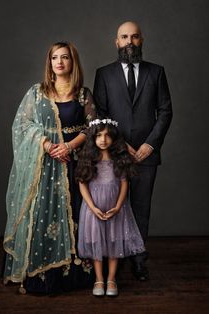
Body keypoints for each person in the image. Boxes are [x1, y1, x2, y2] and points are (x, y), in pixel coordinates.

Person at [3, 41, 96, 294]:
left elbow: (93, 126)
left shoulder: (82, 94)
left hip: (73, 165)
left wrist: (69, 147)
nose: (59, 62)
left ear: (72, 62)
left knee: (75, 216)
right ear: (50, 62)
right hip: (44, 167)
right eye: (55, 57)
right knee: (45, 216)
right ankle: (42, 274)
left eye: (65, 57)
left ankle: (74, 275)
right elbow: (22, 125)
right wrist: (46, 144)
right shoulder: (37, 92)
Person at [93, 21, 173, 281]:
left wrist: (150, 144)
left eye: (134, 37)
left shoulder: (156, 72)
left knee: (140, 207)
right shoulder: (104, 74)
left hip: (147, 155)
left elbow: (165, 111)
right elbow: (100, 114)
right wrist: (120, 144)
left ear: (142, 40)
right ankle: (112, 257)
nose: (129, 41)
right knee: (112, 205)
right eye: (124, 37)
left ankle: (139, 260)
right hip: (114, 154)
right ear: (116, 42)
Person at [76, 119, 145, 296]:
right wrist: (92, 207)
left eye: (107, 135)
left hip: (116, 209)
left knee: (115, 242)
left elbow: (124, 184)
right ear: (93, 138)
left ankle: (111, 279)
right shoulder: (89, 159)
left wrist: (118, 206)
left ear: (114, 137)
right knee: (96, 242)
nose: (103, 139)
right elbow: (82, 184)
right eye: (99, 135)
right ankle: (99, 278)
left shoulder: (118, 159)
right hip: (94, 209)